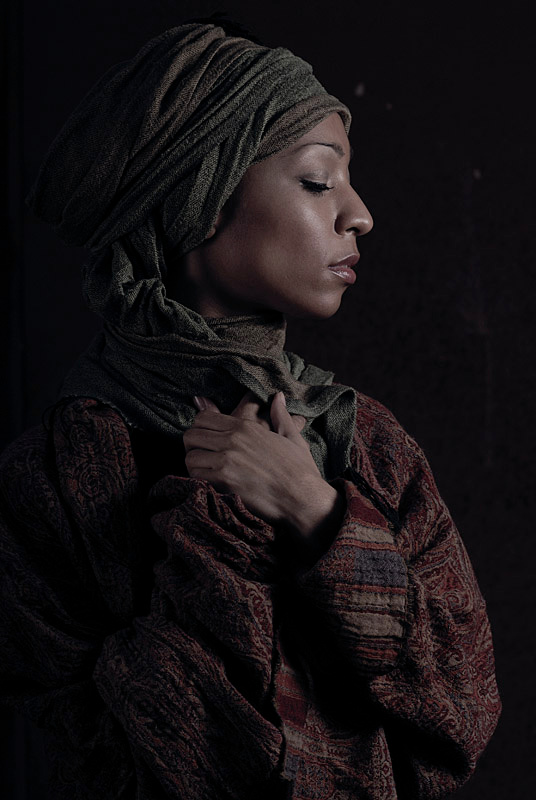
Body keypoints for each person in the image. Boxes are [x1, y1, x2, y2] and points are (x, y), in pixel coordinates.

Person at [0, 20, 500, 800]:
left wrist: (313, 508)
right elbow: (102, 758)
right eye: (318, 180)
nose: (359, 213)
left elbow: (461, 713)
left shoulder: (367, 442)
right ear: (197, 198)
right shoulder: (54, 477)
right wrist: (216, 533)